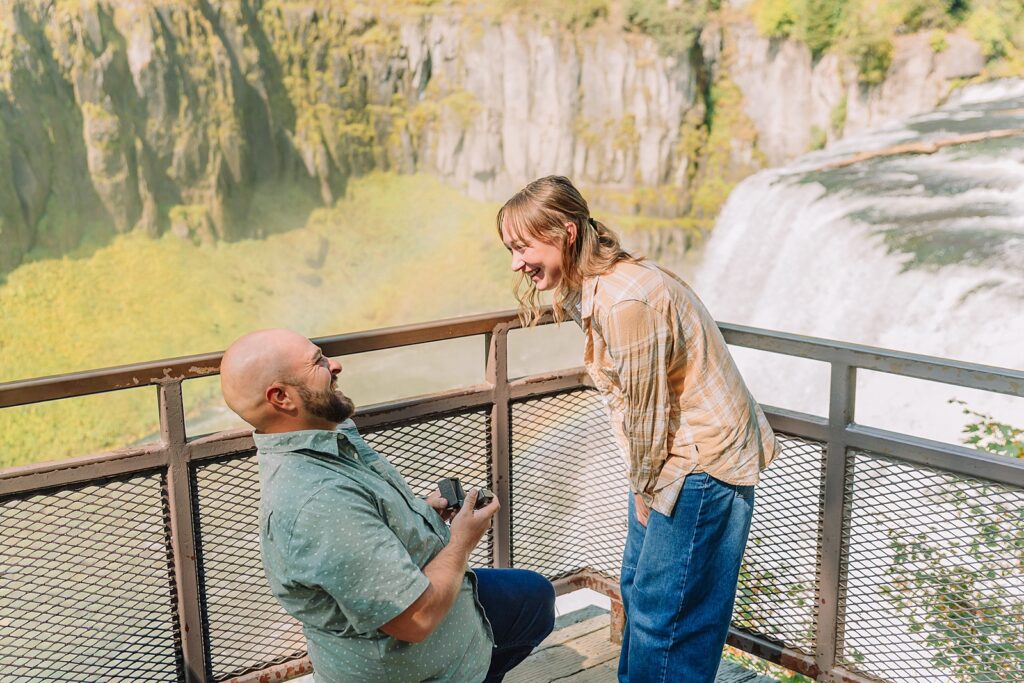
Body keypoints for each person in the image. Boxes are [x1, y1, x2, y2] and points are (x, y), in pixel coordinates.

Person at [496, 176, 778, 683]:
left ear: (565, 232)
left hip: (697, 463)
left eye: (523, 247)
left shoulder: (626, 300)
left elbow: (646, 411)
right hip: (674, 459)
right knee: (645, 594)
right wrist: (642, 485)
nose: (516, 263)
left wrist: (644, 489)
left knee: (664, 613)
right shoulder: (606, 284)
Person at [219, 328, 554, 683]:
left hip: (451, 631)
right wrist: (462, 541)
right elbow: (416, 619)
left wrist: (419, 513)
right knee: (531, 603)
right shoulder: (318, 504)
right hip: (413, 665)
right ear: (282, 397)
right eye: (318, 362)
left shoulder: (328, 435)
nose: (336, 365)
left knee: (534, 598)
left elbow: (362, 521)